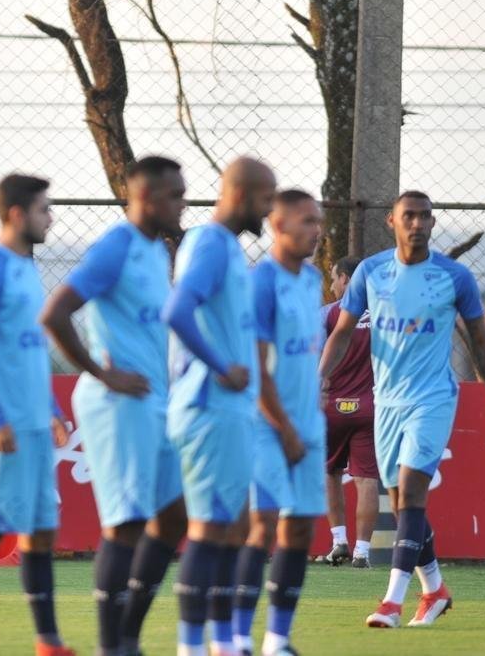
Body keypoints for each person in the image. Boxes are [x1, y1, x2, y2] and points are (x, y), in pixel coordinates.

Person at [320, 191, 485, 628]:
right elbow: (343, 333)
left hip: (432, 399)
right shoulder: (371, 272)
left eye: (426, 216)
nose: (418, 223)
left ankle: (391, 601)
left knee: (411, 490)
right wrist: (320, 375)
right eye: (410, 216)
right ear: (392, 221)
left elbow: (481, 340)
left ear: (432, 222)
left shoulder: (454, 276)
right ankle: (435, 589)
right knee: (403, 499)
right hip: (385, 403)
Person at [41, 156, 189, 656]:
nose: (183, 205)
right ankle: (112, 646)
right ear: (147, 198)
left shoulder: (154, 251)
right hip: (117, 403)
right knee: (125, 523)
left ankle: (127, 637)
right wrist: (101, 372)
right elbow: (55, 314)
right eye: (176, 196)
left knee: (174, 519)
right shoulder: (116, 246)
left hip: (156, 402)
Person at [0, 174, 74, 656]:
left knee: (41, 528)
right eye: (45, 209)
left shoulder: (27, 268)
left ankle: (47, 641)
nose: (52, 218)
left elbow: (31, 349)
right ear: (18, 214)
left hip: (31, 421)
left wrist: (50, 409)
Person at [162, 157, 276, 656]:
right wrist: (222, 366)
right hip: (208, 404)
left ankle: (225, 641)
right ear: (243, 193)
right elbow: (177, 311)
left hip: (228, 409)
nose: (271, 211)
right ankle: (192, 646)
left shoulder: (224, 247)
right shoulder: (209, 243)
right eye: (267, 199)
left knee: (233, 528)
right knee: (209, 528)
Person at [228, 190, 326, 656]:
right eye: (307, 222)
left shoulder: (312, 279)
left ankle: (277, 640)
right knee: (262, 526)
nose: (317, 230)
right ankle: (238, 638)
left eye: (319, 222)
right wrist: (284, 427)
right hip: (268, 426)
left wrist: (304, 424)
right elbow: (256, 365)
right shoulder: (261, 282)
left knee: (300, 530)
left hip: (309, 426)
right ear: (278, 226)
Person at [321, 256, 380, 569]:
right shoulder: (385, 315)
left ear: (346, 279)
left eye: (333, 278)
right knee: (366, 478)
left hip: (331, 405)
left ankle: (339, 541)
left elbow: (315, 353)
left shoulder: (330, 314)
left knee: (330, 472)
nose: (331, 285)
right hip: (369, 405)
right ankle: (362, 552)